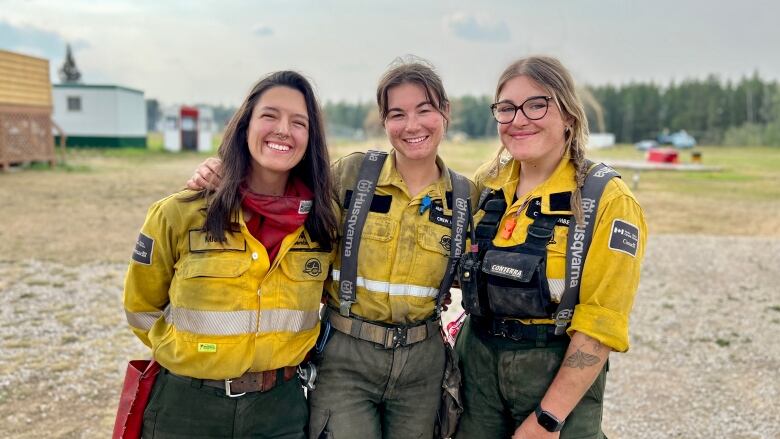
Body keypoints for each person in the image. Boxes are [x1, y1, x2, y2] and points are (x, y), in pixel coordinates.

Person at [188, 59, 477, 439]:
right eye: (397, 114)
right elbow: (278, 185)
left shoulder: (467, 197)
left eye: (425, 110)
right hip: (345, 357)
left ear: (446, 112)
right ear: (382, 120)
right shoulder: (351, 176)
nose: (412, 125)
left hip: (422, 364)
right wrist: (223, 172)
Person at [123, 70, 338, 438]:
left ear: (310, 139)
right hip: (186, 408)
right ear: (244, 126)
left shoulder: (323, 222)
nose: (283, 129)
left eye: (298, 122)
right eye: (270, 115)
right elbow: (140, 308)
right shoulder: (178, 213)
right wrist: (196, 353)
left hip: (280, 412)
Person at [454, 56, 647, 439]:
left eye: (537, 104)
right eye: (506, 108)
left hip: (554, 374)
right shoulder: (486, 184)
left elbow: (600, 323)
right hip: (476, 367)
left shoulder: (606, 200)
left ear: (569, 116)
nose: (519, 119)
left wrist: (548, 418)